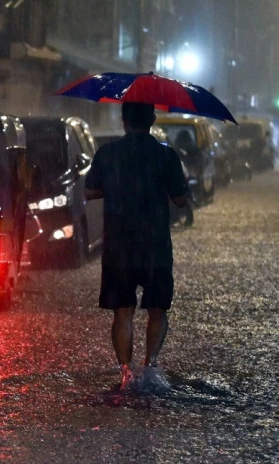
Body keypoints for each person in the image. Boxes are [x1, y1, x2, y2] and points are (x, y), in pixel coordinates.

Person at [84, 102, 189, 388]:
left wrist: (118, 187)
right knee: (157, 309)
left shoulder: (108, 154)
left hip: (119, 246)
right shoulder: (166, 156)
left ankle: (125, 372)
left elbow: (90, 190)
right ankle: (151, 364)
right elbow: (181, 199)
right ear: (152, 119)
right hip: (154, 245)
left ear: (123, 120)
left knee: (123, 311)